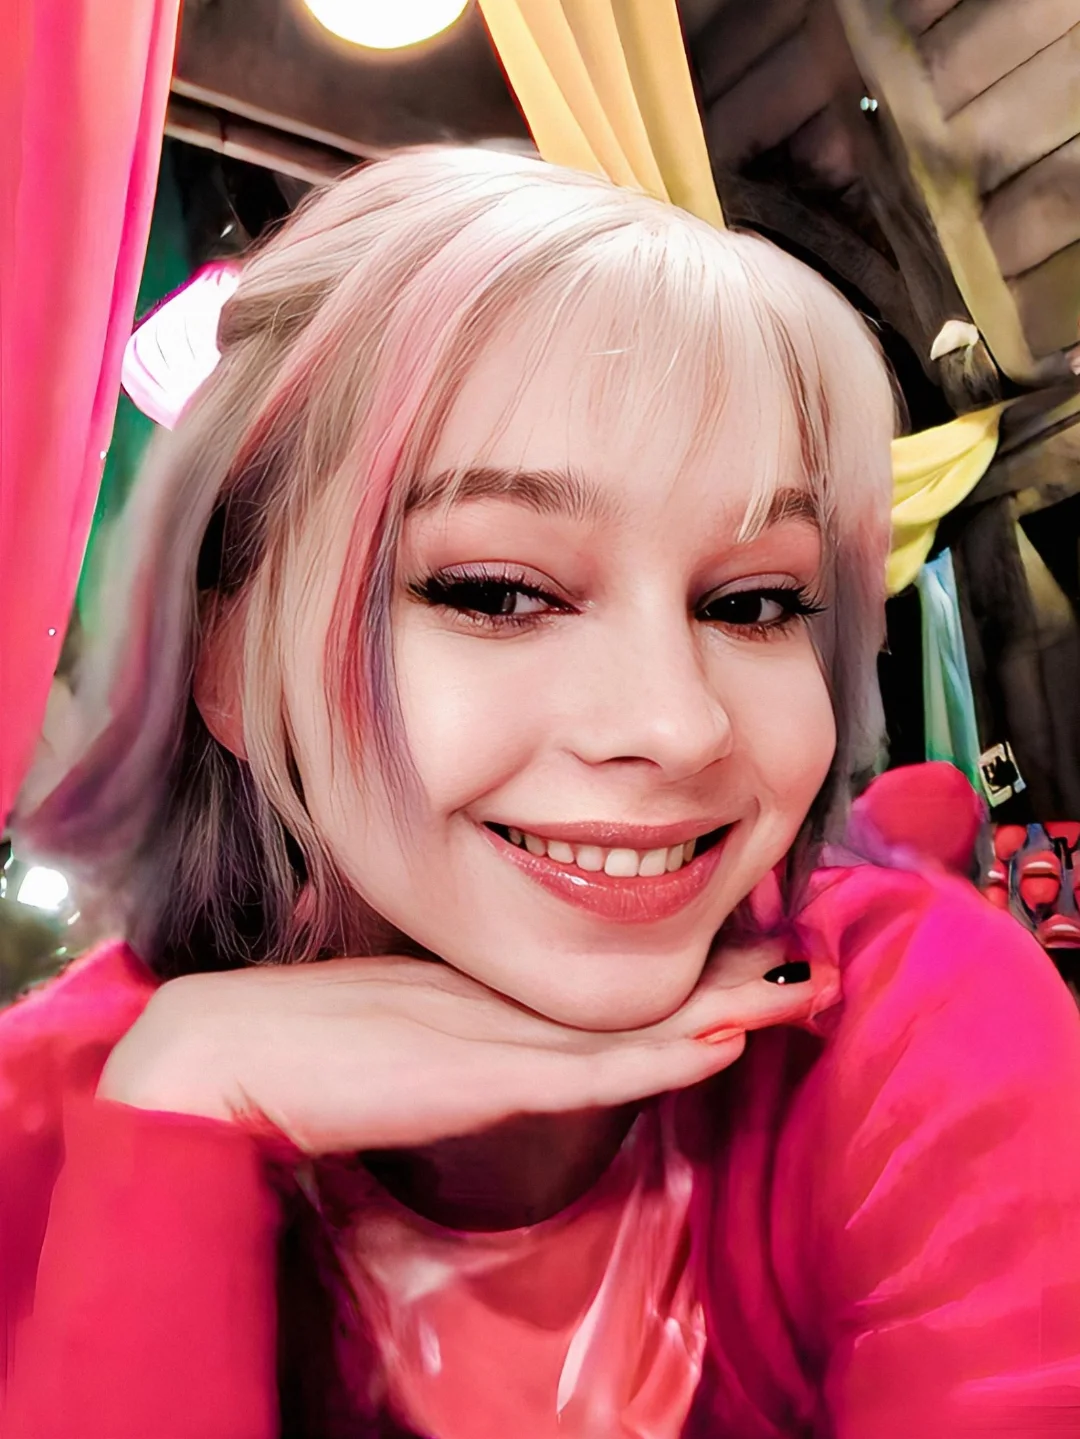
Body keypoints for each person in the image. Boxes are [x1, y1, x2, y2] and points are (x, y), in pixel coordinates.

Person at [3, 147, 1079, 1439]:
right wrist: (182, 1114)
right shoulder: (42, 1118)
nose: (678, 725)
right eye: (500, 591)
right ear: (229, 667)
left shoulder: (894, 1011)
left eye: (754, 604)